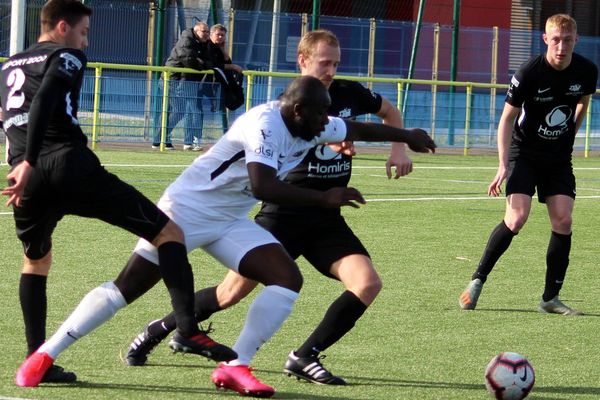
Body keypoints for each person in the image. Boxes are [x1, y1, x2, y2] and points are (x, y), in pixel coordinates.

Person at [34, 75, 436, 397]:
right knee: (128, 287)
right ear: (297, 110)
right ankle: (44, 356)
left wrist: (407, 136)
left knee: (285, 278)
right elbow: (263, 186)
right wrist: (326, 197)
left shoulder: (311, 121)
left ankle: (236, 367)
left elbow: (356, 127)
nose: (325, 124)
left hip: (229, 219)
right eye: (319, 116)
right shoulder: (263, 124)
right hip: (185, 212)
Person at [125, 29, 422, 393]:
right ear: (303, 61)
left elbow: (387, 111)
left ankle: (305, 355)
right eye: (324, 62)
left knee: (367, 284)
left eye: (336, 63)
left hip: (327, 217)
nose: (331, 70)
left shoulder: (349, 93)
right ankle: (160, 329)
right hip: (283, 214)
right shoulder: (289, 105)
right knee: (229, 294)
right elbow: (276, 158)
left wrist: (399, 148)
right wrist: (334, 142)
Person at [1, 0, 234, 388]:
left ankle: (36, 358)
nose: (85, 40)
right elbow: (45, 99)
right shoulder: (67, 55)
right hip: (67, 165)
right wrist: (30, 157)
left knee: (35, 262)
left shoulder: (8, 66)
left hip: (26, 180)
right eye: (83, 32)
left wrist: (21, 159)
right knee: (168, 233)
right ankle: (188, 329)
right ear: (62, 27)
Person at [458, 14, 597, 315]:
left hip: (558, 158)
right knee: (516, 218)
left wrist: (571, 131)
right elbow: (507, 118)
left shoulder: (587, 70)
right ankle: (477, 280)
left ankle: (550, 298)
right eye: (556, 40)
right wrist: (502, 164)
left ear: (576, 40)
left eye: (568, 40)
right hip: (525, 152)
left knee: (564, 221)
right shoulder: (529, 72)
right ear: (546, 39)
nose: (561, 46)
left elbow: (584, 101)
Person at [152, 21, 218, 151]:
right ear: (196, 30)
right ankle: (159, 139)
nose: (206, 34)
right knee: (177, 110)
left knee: (177, 111)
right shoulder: (187, 40)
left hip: (182, 80)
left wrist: (202, 62)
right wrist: (202, 65)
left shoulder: (204, 44)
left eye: (207, 32)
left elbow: (209, 60)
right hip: (171, 79)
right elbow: (188, 59)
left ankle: (161, 139)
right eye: (203, 31)